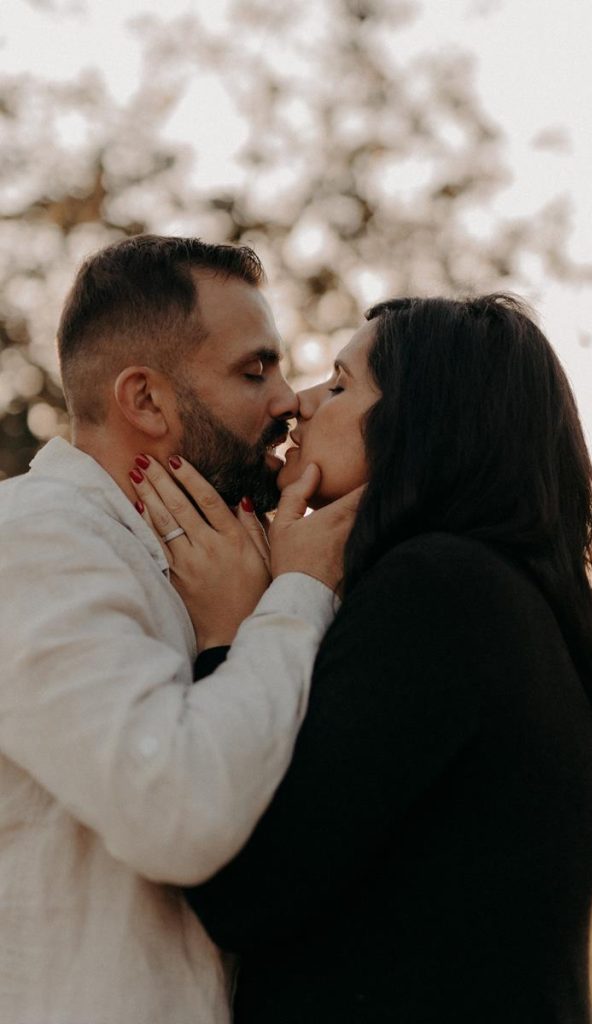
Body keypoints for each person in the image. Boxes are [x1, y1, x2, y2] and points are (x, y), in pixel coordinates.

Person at [138, 293, 592, 1023]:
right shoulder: (489, 594)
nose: (297, 402)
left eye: (340, 383)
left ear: (419, 426)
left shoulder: (441, 593)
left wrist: (226, 635)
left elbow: (243, 890)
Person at [0, 234, 359, 1024]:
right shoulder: (32, 543)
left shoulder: (203, 560)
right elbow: (177, 817)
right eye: (253, 370)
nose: (288, 400)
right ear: (147, 401)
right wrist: (295, 598)